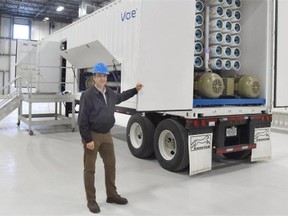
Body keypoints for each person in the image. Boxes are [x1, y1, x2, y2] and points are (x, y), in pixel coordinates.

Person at [78, 62, 143, 214]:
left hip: (107, 134)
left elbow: (121, 97)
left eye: (104, 76)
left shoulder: (110, 93)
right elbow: (82, 120)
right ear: (94, 78)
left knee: (110, 165)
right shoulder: (87, 96)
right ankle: (91, 201)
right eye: (99, 76)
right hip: (92, 135)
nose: (102, 78)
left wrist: (135, 90)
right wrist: (87, 140)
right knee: (90, 169)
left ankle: (112, 195)